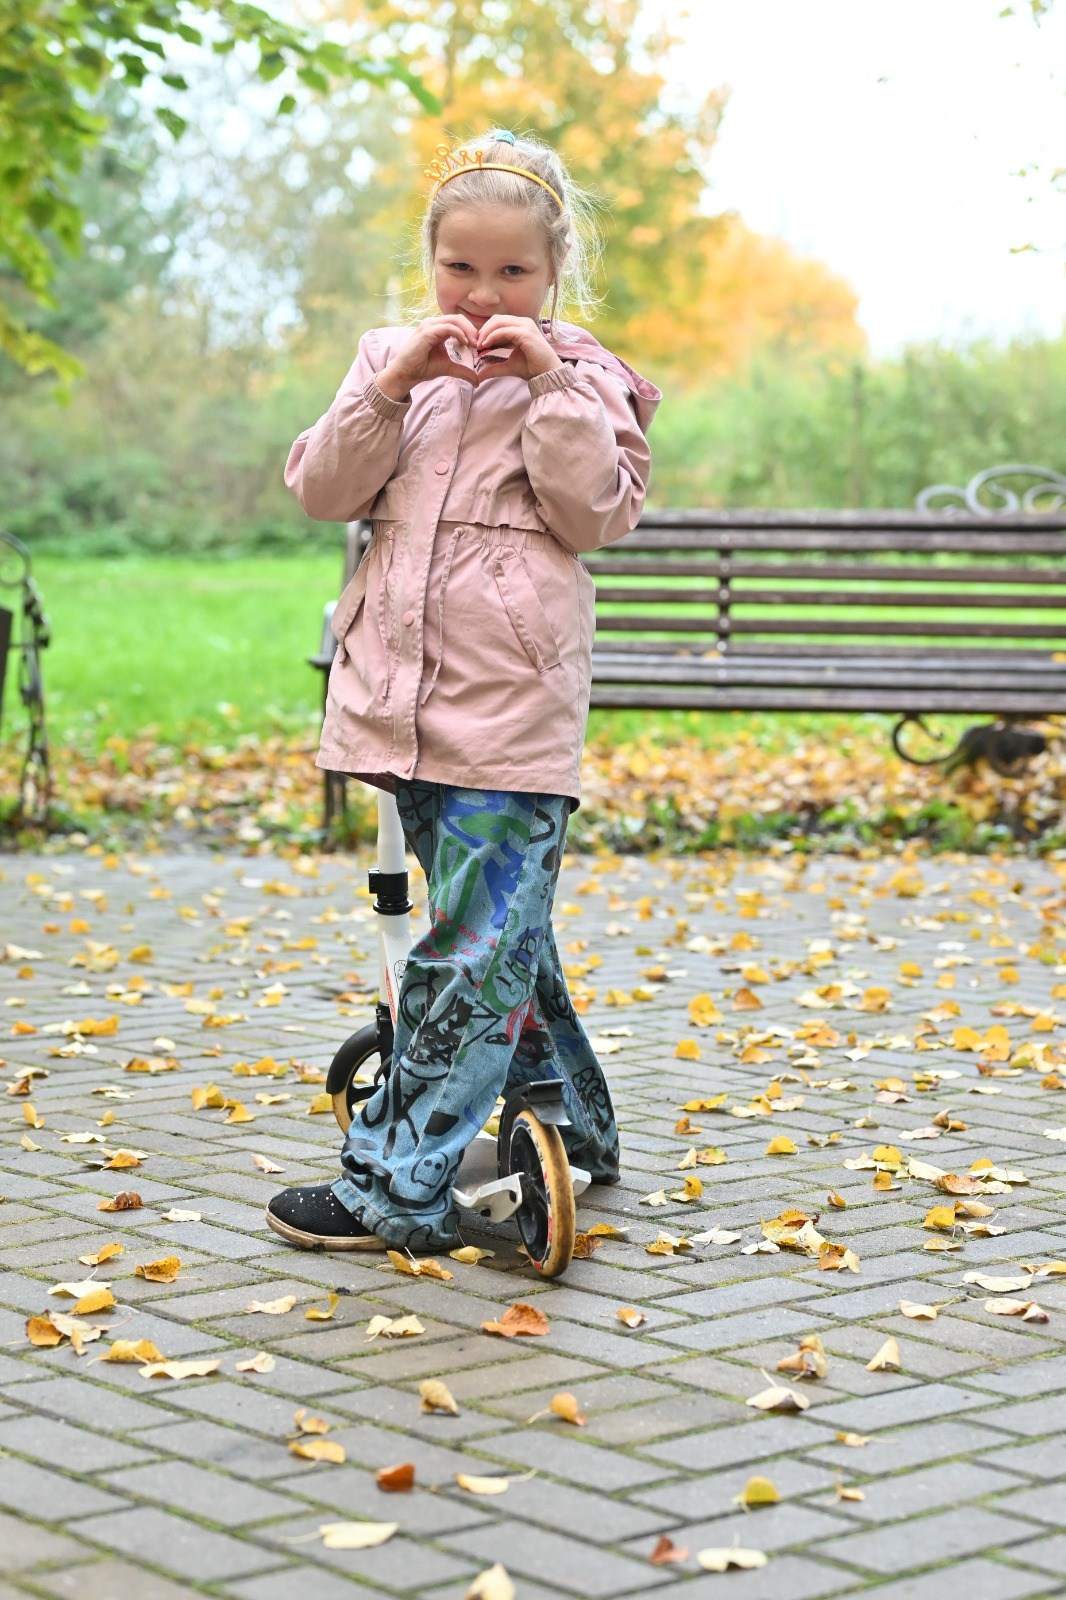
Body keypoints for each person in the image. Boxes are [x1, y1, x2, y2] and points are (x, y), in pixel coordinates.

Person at [266, 129, 661, 1253]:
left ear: (554, 270)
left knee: (467, 955)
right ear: (429, 262)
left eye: (513, 274)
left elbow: (595, 514)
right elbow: (322, 489)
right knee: (498, 943)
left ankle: (394, 1188)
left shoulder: (586, 378)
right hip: (401, 705)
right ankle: (575, 1134)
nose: (484, 296)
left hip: (510, 716)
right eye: (461, 269)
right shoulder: (391, 364)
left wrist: (548, 383)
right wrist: (392, 384)